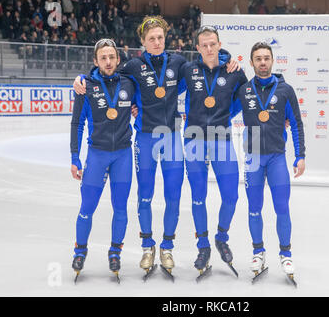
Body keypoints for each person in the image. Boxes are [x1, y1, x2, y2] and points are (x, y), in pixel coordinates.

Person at [74, 16, 239, 278]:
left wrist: (227, 56)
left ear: (166, 38)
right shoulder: (132, 66)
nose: (157, 42)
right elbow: (104, 76)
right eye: (151, 38)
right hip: (145, 138)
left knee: (173, 196)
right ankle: (148, 245)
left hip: (172, 136)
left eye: (160, 37)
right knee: (146, 195)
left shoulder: (179, 63)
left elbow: (206, 64)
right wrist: (81, 78)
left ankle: (167, 246)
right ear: (143, 41)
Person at [233, 42, 305, 281]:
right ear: (252, 62)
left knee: (282, 208)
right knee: (254, 210)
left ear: (272, 61)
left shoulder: (286, 90)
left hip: (276, 158)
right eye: (258, 59)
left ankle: (286, 254)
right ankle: (258, 252)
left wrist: (300, 155)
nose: (262, 62)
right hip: (253, 159)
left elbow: (296, 124)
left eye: (266, 58)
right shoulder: (244, 90)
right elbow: (221, 110)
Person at [179, 26, 247, 276]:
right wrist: (138, 107)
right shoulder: (188, 70)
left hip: (221, 138)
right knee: (198, 197)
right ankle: (203, 246)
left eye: (213, 44)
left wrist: (226, 115)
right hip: (193, 138)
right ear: (197, 48)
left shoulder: (235, 72)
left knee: (231, 196)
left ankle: (221, 237)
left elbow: (248, 101)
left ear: (220, 45)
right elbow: (161, 93)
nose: (209, 49)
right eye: (204, 45)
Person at [70, 38, 135, 281]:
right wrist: (75, 157)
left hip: (123, 155)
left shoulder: (130, 83)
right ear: (95, 61)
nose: (108, 62)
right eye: (103, 58)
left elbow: (144, 105)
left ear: (118, 59)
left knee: (120, 208)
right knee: (87, 208)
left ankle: (115, 252)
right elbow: (77, 123)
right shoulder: (85, 85)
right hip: (96, 155)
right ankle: (80, 250)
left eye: (112, 57)